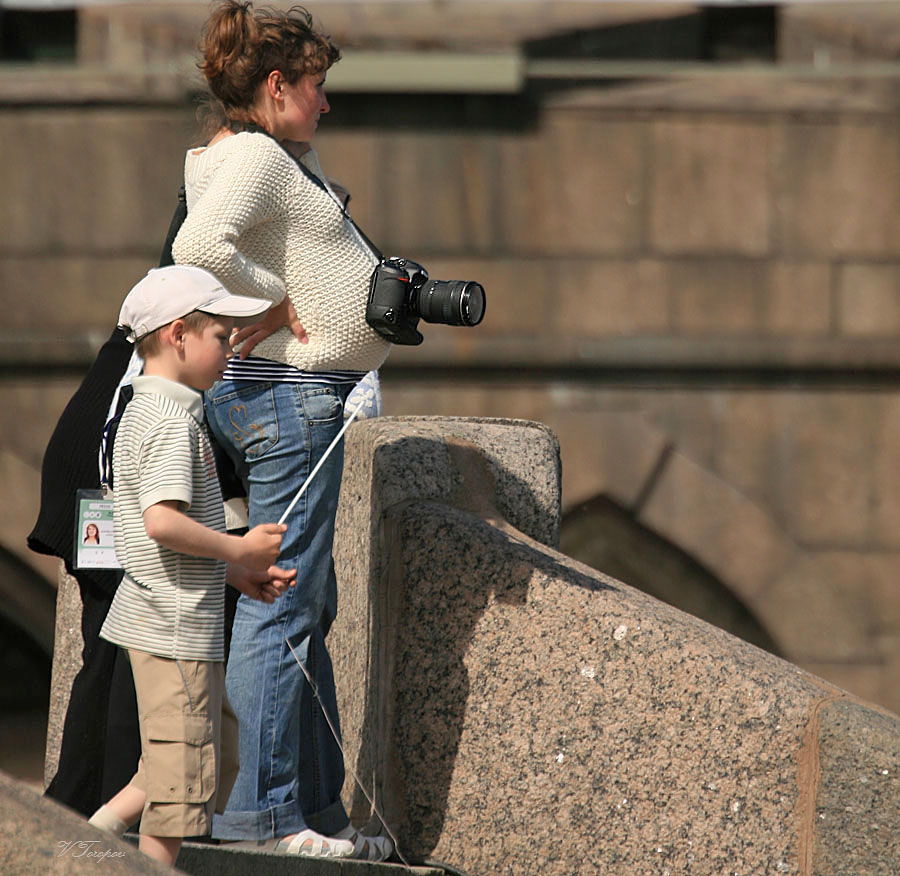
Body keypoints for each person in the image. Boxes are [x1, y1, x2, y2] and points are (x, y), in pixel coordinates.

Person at [170, 0, 392, 860]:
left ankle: (317, 811)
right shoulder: (256, 155)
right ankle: (266, 817)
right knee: (281, 608)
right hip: (285, 402)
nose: (325, 103)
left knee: (306, 605)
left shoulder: (267, 154)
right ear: (276, 86)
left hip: (295, 401)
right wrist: (276, 301)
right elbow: (198, 245)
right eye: (316, 87)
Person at [85, 264, 297, 867]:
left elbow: (161, 538)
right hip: (172, 628)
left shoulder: (151, 408)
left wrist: (238, 576)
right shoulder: (171, 422)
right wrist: (241, 548)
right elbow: (161, 524)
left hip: (179, 622)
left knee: (200, 761)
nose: (230, 350)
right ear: (179, 335)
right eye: (222, 337)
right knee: (179, 788)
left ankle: (75, 846)